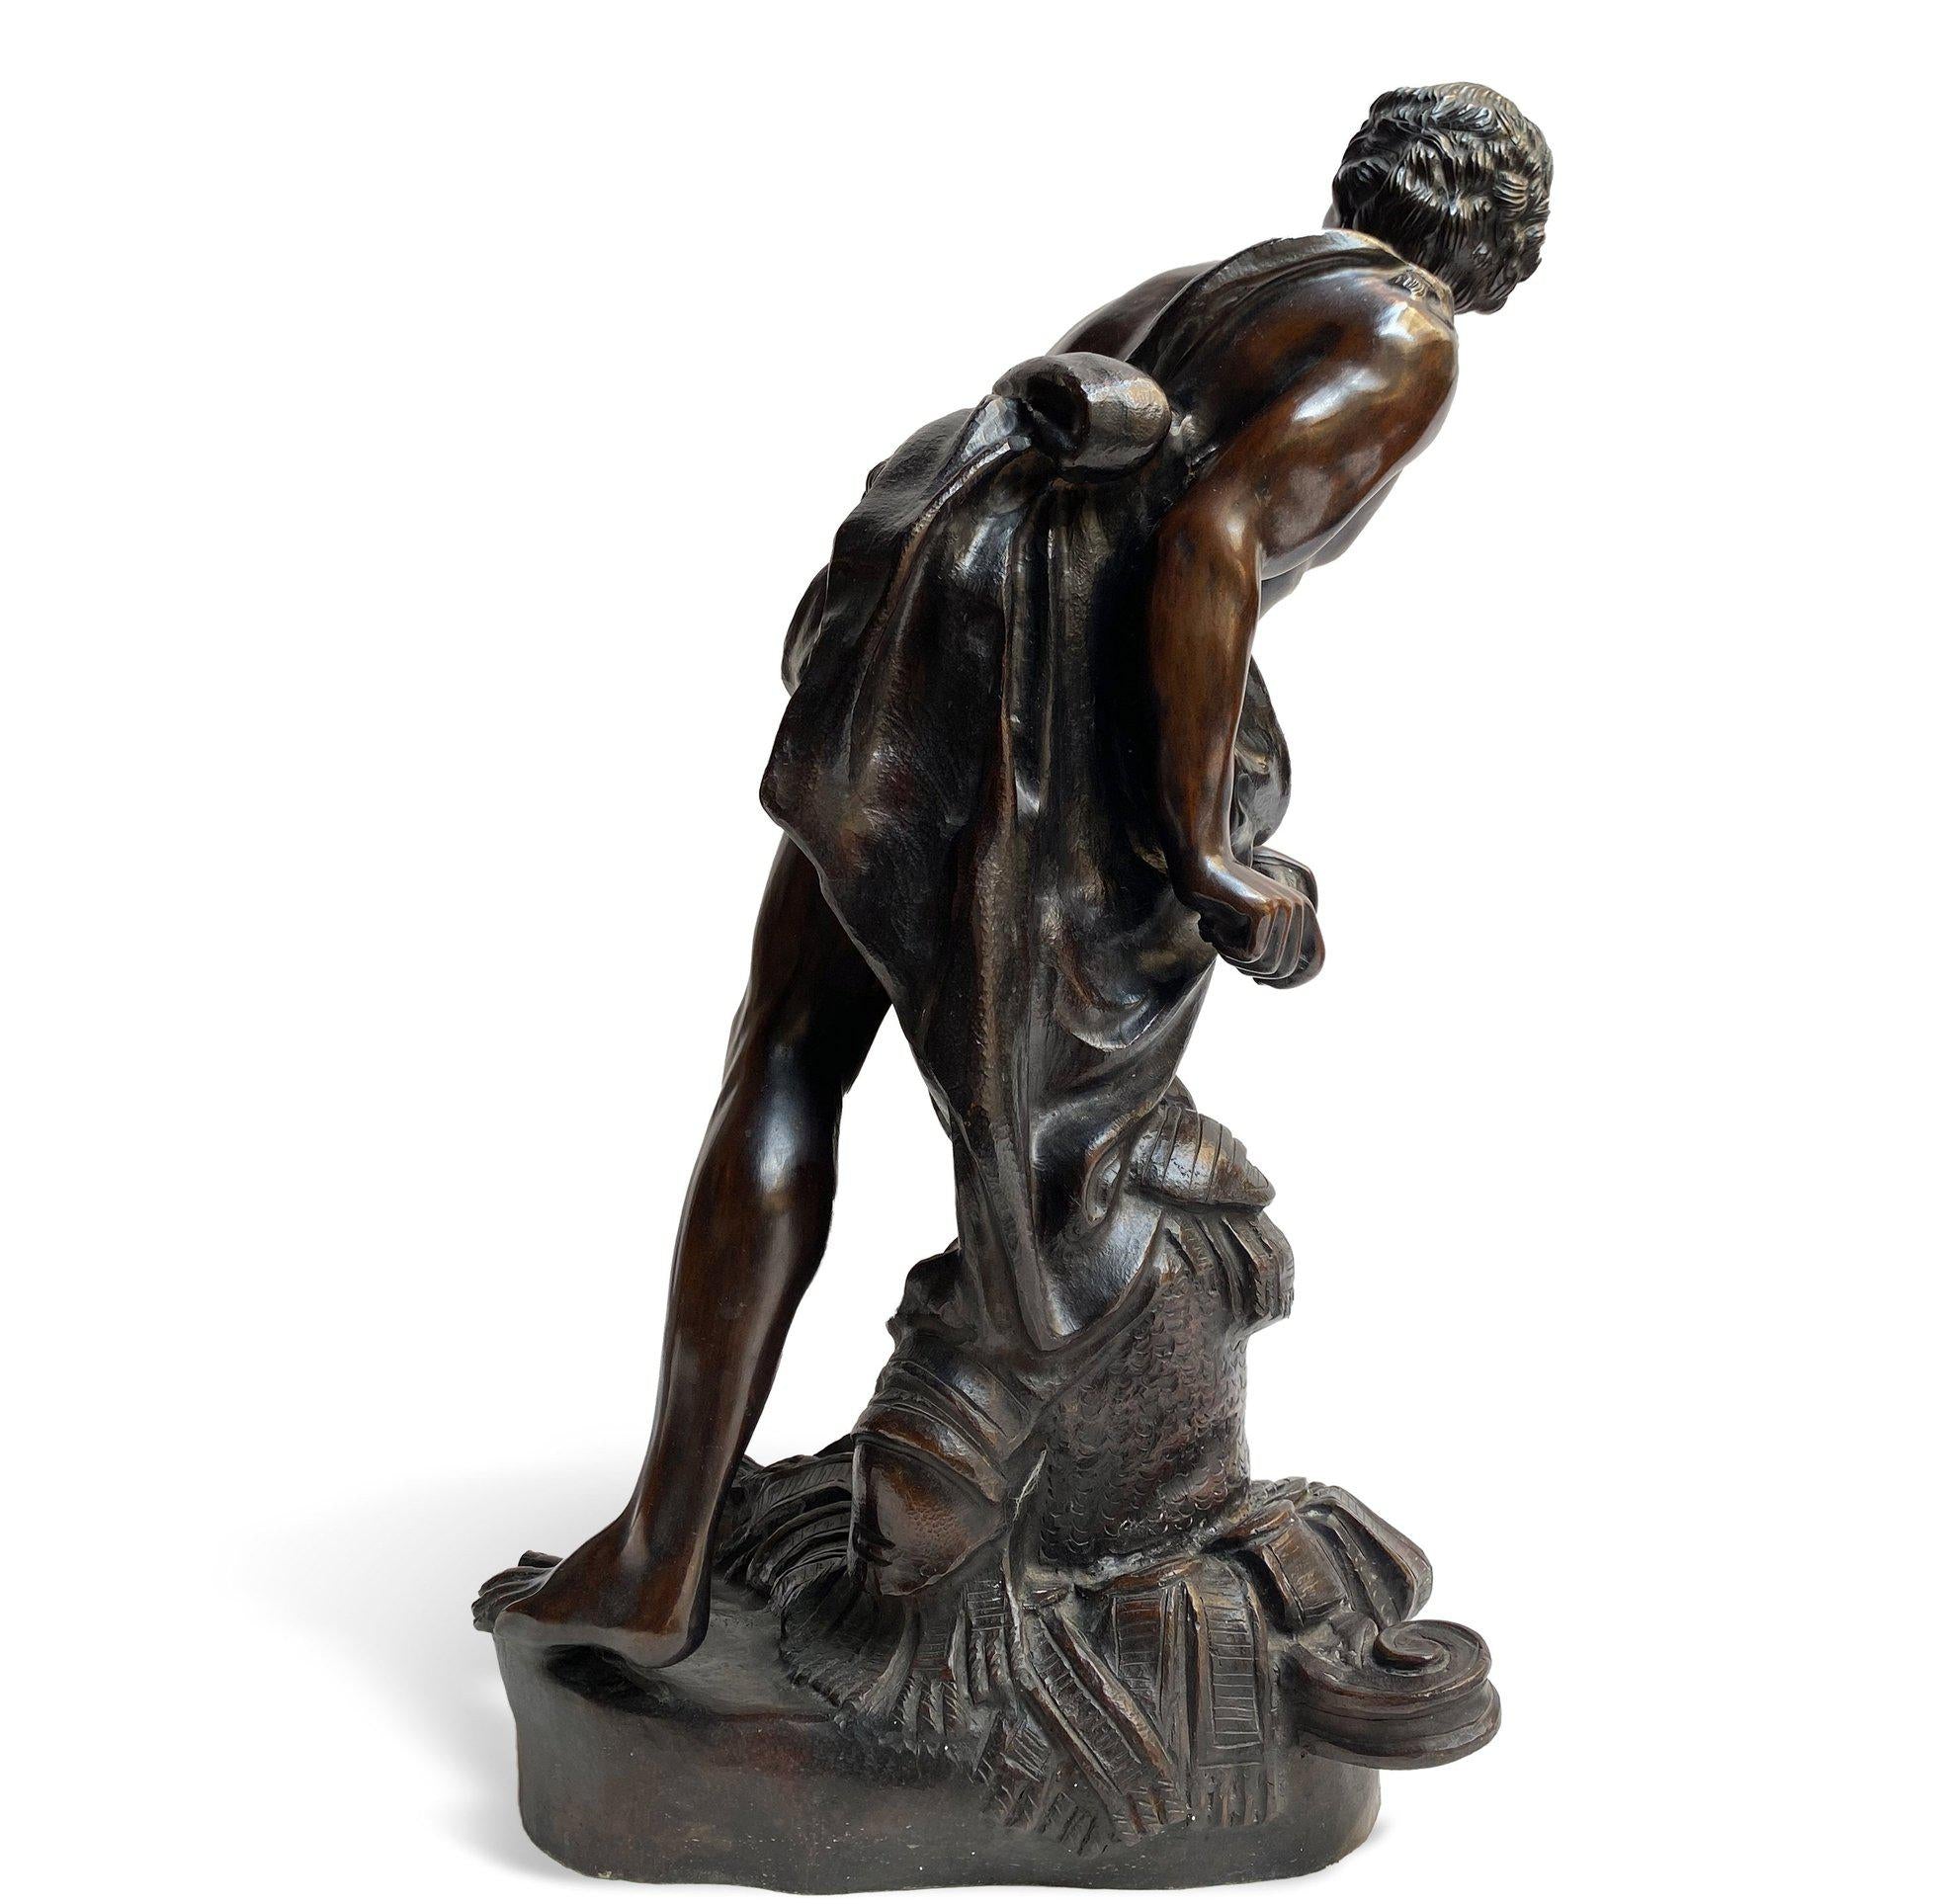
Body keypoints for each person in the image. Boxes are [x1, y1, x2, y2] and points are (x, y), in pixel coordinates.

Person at [487, 82, 1552, 1664]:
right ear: (1506, 249)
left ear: (1360, 182)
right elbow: (1212, 539)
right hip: (1041, 715)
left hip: (924, 639)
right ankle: (1012, 1508)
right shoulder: (1408, 335)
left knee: (784, 1052)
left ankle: (663, 1544)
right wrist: (1206, 849)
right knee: (1058, 1146)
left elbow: (1029, 441)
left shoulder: (1206, 286)